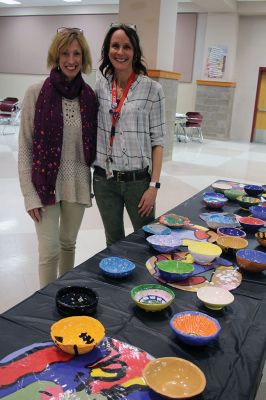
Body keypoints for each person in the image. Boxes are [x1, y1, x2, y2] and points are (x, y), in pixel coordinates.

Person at [18, 27, 97, 288]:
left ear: (83, 57)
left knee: (68, 244)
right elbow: (26, 147)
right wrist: (29, 195)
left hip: (77, 183)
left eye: (76, 53)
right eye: (65, 53)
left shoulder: (89, 97)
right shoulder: (35, 92)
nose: (71, 60)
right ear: (56, 55)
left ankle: (64, 297)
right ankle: (45, 307)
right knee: (48, 251)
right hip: (44, 184)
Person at [93, 23, 165, 246]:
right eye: (115, 46)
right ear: (107, 50)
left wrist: (153, 186)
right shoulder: (100, 87)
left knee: (147, 242)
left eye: (127, 47)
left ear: (135, 52)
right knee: (113, 243)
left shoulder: (153, 90)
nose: (120, 52)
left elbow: (158, 142)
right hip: (105, 181)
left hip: (139, 183)